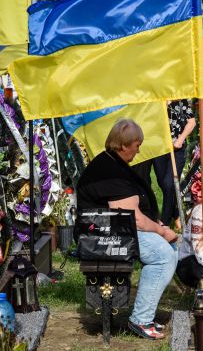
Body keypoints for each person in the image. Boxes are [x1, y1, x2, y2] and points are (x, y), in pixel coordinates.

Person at [76, 119, 178, 340]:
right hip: (102, 236)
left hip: (114, 231)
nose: (139, 149)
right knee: (164, 256)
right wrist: (161, 232)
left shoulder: (113, 163)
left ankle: (144, 310)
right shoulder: (110, 171)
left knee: (171, 248)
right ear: (123, 145)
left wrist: (159, 225)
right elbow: (135, 220)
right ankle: (141, 319)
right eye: (137, 144)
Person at [133, 99, 196, 229]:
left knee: (169, 183)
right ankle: (177, 213)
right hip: (159, 149)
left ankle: (165, 222)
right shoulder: (153, 103)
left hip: (177, 150)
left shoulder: (180, 101)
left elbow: (192, 122)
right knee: (163, 184)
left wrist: (180, 139)